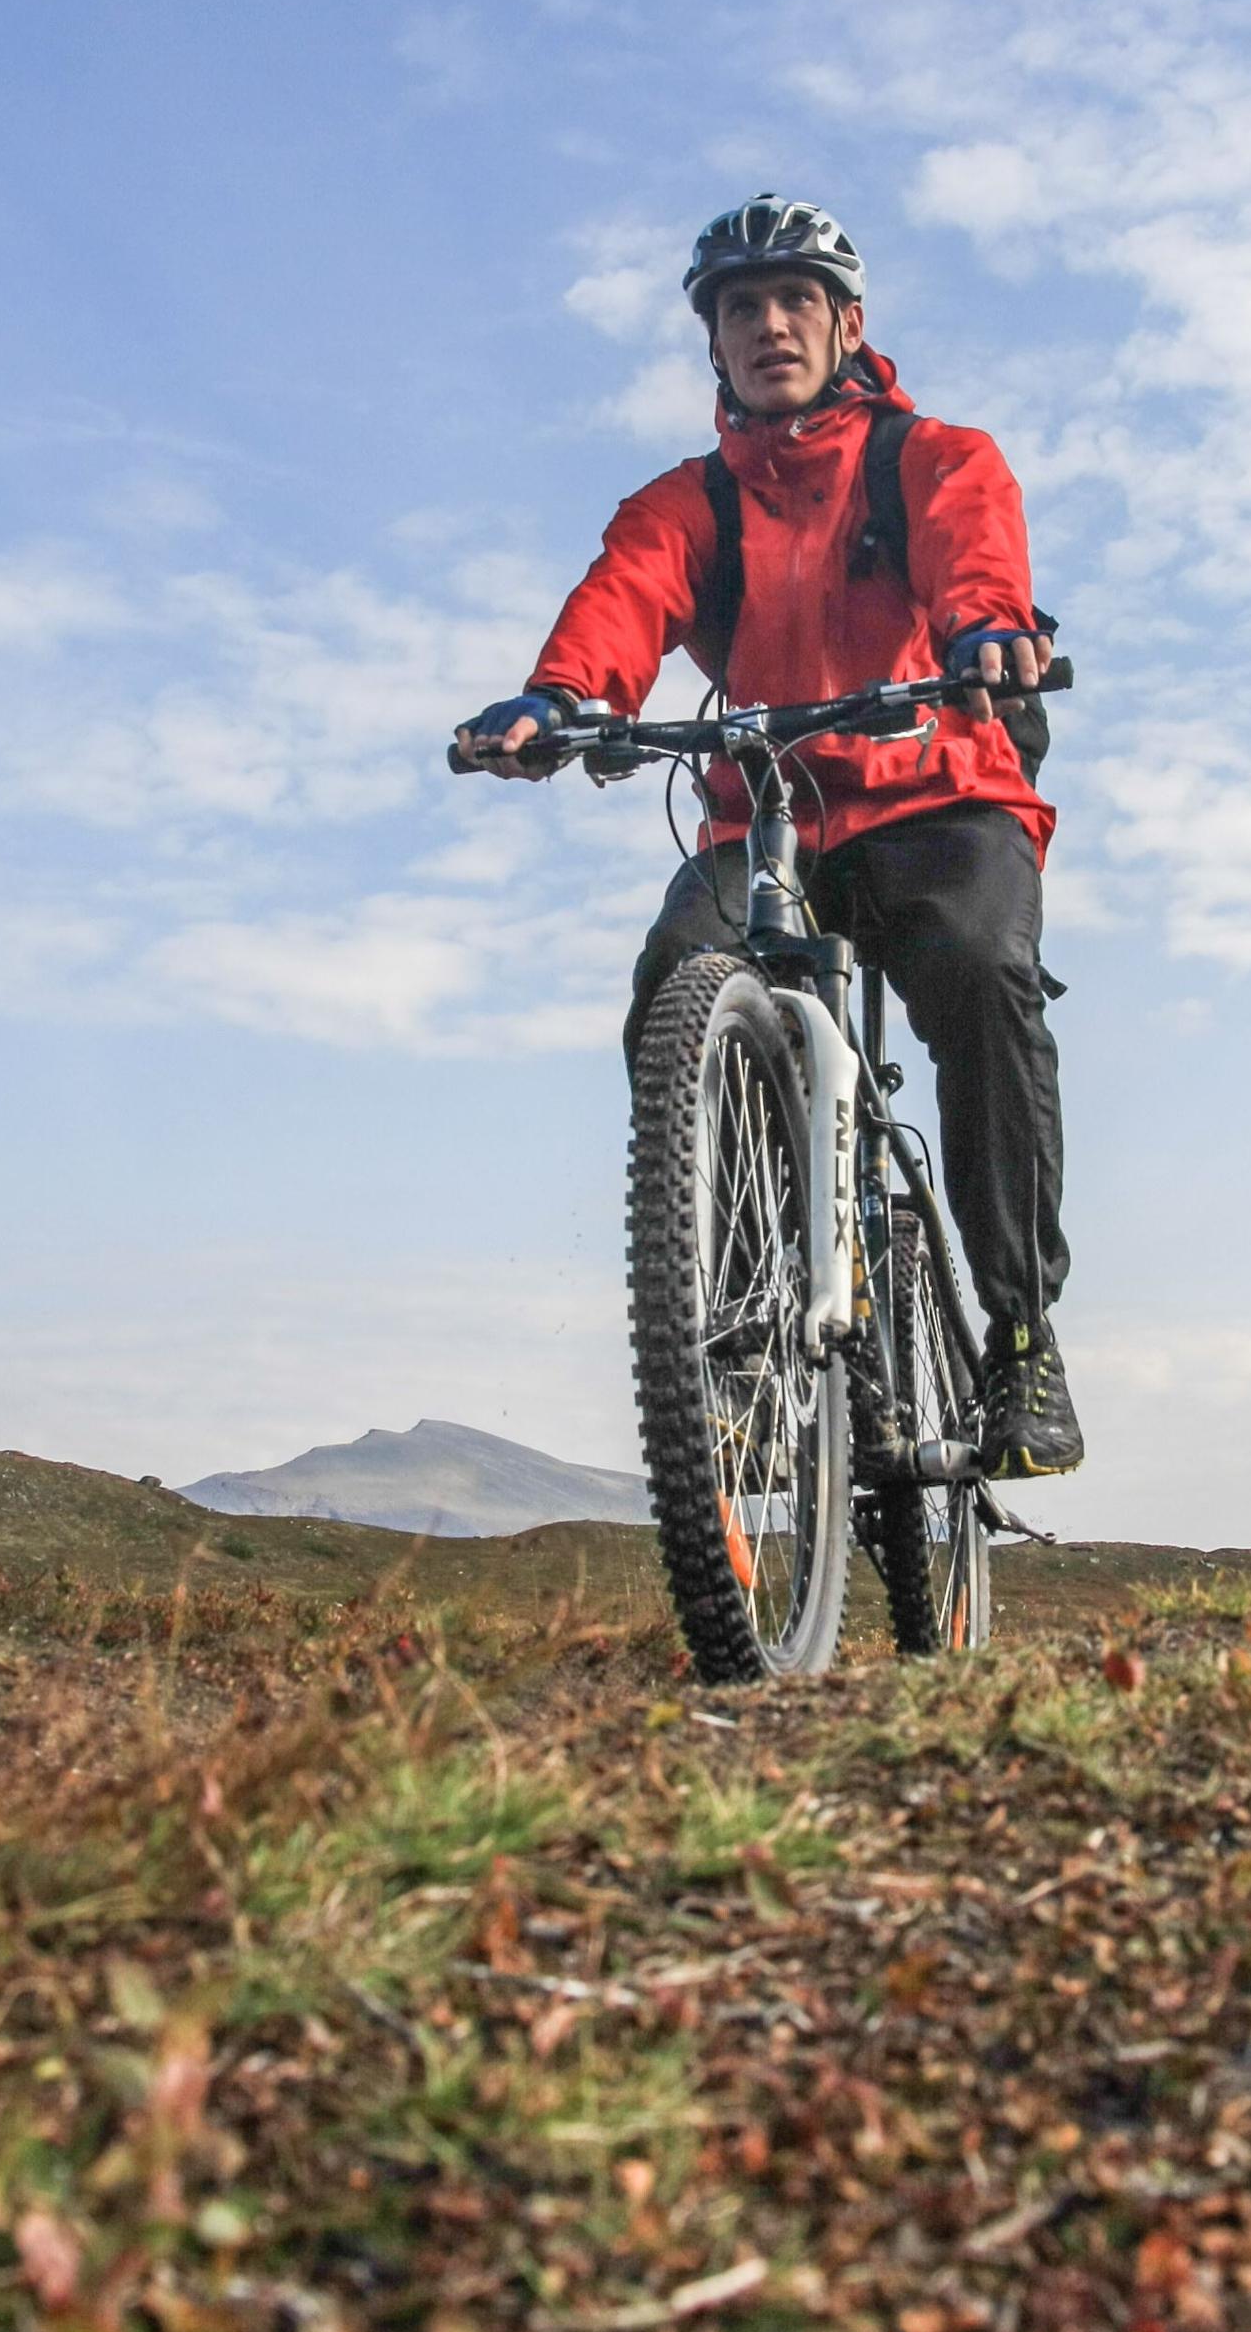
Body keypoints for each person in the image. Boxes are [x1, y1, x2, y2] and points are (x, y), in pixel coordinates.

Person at [453, 195, 1081, 1480]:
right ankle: (735, 1304)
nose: (769, 324)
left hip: (935, 790)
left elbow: (976, 554)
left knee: (977, 976)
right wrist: (560, 699)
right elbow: (626, 599)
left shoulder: (930, 458)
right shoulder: (689, 505)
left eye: (795, 300)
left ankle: (1018, 1337)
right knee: (676, 978)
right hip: (770, 812)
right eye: (741, 308)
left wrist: (984, 634)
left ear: (846, 324)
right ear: (714, 347)